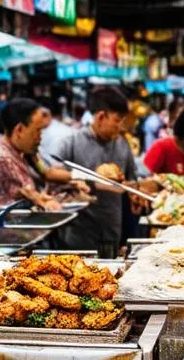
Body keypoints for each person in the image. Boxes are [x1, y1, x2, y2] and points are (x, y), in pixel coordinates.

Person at [59, 86, 139, 257]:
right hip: (78, 236)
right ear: (101, 116)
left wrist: (135, 194)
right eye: (117, 120)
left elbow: (132, 180)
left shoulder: (123, 144)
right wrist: (87, 181)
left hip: (112, 232)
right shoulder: (72, 142)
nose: (121, 127)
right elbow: (52, 174)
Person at [0, 98, 60, 210]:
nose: (40, 137)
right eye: (37, 131)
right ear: (19, 129)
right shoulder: (1, 158)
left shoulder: (23, 152)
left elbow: (44, 173)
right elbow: (21, 196)